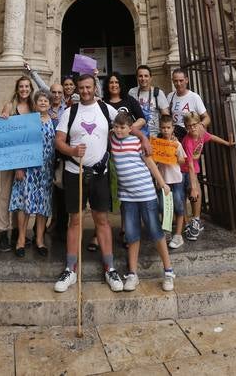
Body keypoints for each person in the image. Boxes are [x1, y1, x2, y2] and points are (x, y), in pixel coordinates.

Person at [53, 72, 149, 293]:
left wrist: (143, 137)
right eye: (81, 88)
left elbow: (127, 126)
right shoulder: (70, 112)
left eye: (89, 87)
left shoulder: (106, 109)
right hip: (74, 171)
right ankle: (70, 268)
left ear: (94, 87)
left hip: (99, 172)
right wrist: (72, 150)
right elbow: (58, 141)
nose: (85, 91)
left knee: (102, 220)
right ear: (77, 89)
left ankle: (110, 266)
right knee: (75, 220)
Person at [110, 110, 176, 292]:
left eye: (123, 127)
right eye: (116, 127)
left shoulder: (137, 142)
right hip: (127, 196)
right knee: (131, 235)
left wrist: (162, 184)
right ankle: (132, 273)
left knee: (156, 232)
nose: (119, 130)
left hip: (146, 194)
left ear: (129, 128)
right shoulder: (113, 139)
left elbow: (150, 163)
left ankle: (168, 271)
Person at [87, 72, 146, 253]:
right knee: (103, 196)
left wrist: (130, 130)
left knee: (125, 193)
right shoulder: (101, 103)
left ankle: (125, 230)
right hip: (106, 153)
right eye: (110, 82)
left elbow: (142, 118)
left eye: (116, 82)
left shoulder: (129, 101)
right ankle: (98, 234)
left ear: (121, 84)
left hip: (126, 154)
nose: (113, 85)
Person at [9, 89, 55, 257]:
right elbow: (20, 144)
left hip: (46, 170)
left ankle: (40, 240)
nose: (43, 103)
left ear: (50, 104)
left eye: (46, 101)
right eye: (40, 100)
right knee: (25, 203)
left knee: (43, 205)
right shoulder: (28, 121)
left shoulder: (54, 121)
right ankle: (21, 239)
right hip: (28, 168)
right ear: (35, 103)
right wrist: (19, 167)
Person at [0, 73, 34, 252]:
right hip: (9, 158)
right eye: (21, 87)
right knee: (5, 194)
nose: (24, 89)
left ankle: (19, 233)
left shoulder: (33, 108)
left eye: (27, 86)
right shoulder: (10, 106)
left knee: (21, 196)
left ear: (31, 89)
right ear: (17, 89)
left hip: (26, 160)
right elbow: (2, 131)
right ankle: (3, 233)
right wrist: (2, 119)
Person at [181, 111, 235, 241]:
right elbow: (190, 166)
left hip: (193, 168)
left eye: (194, 125)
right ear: (185, 126)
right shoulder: (187, 141)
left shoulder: (201, 133)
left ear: (199, 124)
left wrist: (226, 143)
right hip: (184, 170)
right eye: (189, 126)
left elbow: (211, 137)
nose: (192, 128)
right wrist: (193, 186)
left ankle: (196, 220)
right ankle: (186, 224)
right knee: (184, 196)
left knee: (196, 194)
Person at [156, 114, 187, 249]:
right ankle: (167, 231)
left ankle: (178, 235)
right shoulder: (157, 144)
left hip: (177, 179)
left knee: (179, 206)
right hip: (164, 180)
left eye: (168, 128)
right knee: (164, 207)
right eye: (163, 128)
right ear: (160, 128)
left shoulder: (177, 144)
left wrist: (174, 156)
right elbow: (154, 161)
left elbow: (182, 160)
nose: (166, 130)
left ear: (173, 128)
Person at [167, 68, 210, 139]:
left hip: (189, 135)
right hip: (174, 136)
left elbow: (207, 118)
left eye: (181, 80)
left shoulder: (194, 97)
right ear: (172, 81)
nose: (178, 84)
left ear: (186, 80)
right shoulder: (170, 96)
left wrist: (200, 126)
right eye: (175, 81)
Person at [128, 64, 169, 137]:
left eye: (146, 76)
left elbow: (165, 116)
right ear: (137, 77)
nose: (143, 79)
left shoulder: (158, 92)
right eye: (140, 76)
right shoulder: (132, 92)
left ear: (150, 78)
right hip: (136, 135)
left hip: (154, 136)